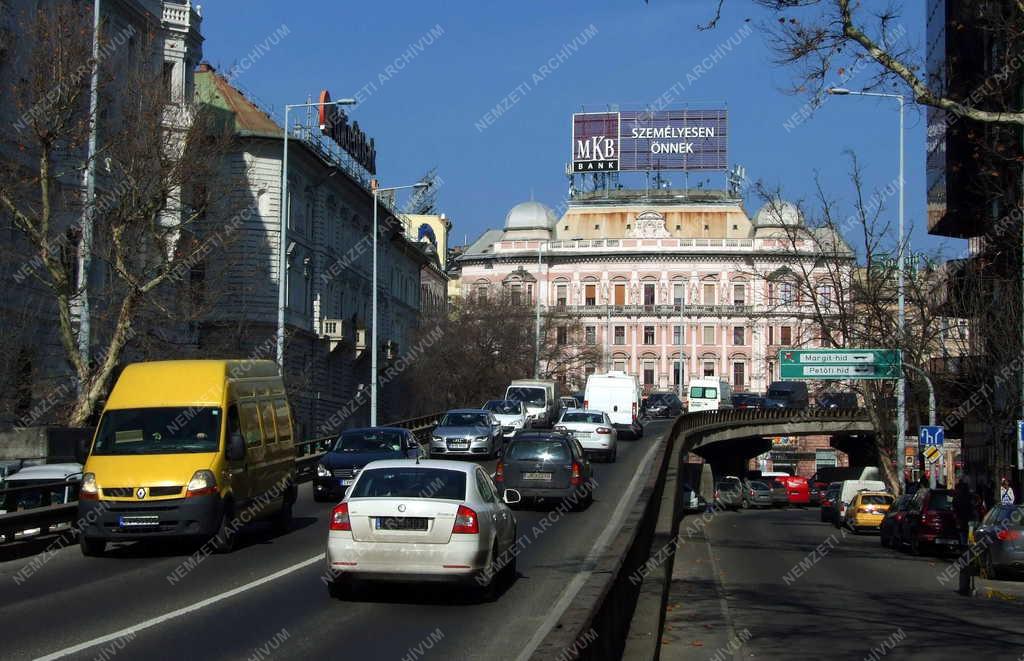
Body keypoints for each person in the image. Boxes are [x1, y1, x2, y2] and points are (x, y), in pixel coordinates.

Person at [953, 480, 974, 547]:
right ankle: (970, 546)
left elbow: (955, 507)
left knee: (962, 533)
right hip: (969, 518)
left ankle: (964, 547)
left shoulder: (957, 497)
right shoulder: (970, 496)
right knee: (969, 533)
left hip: (962, 519)